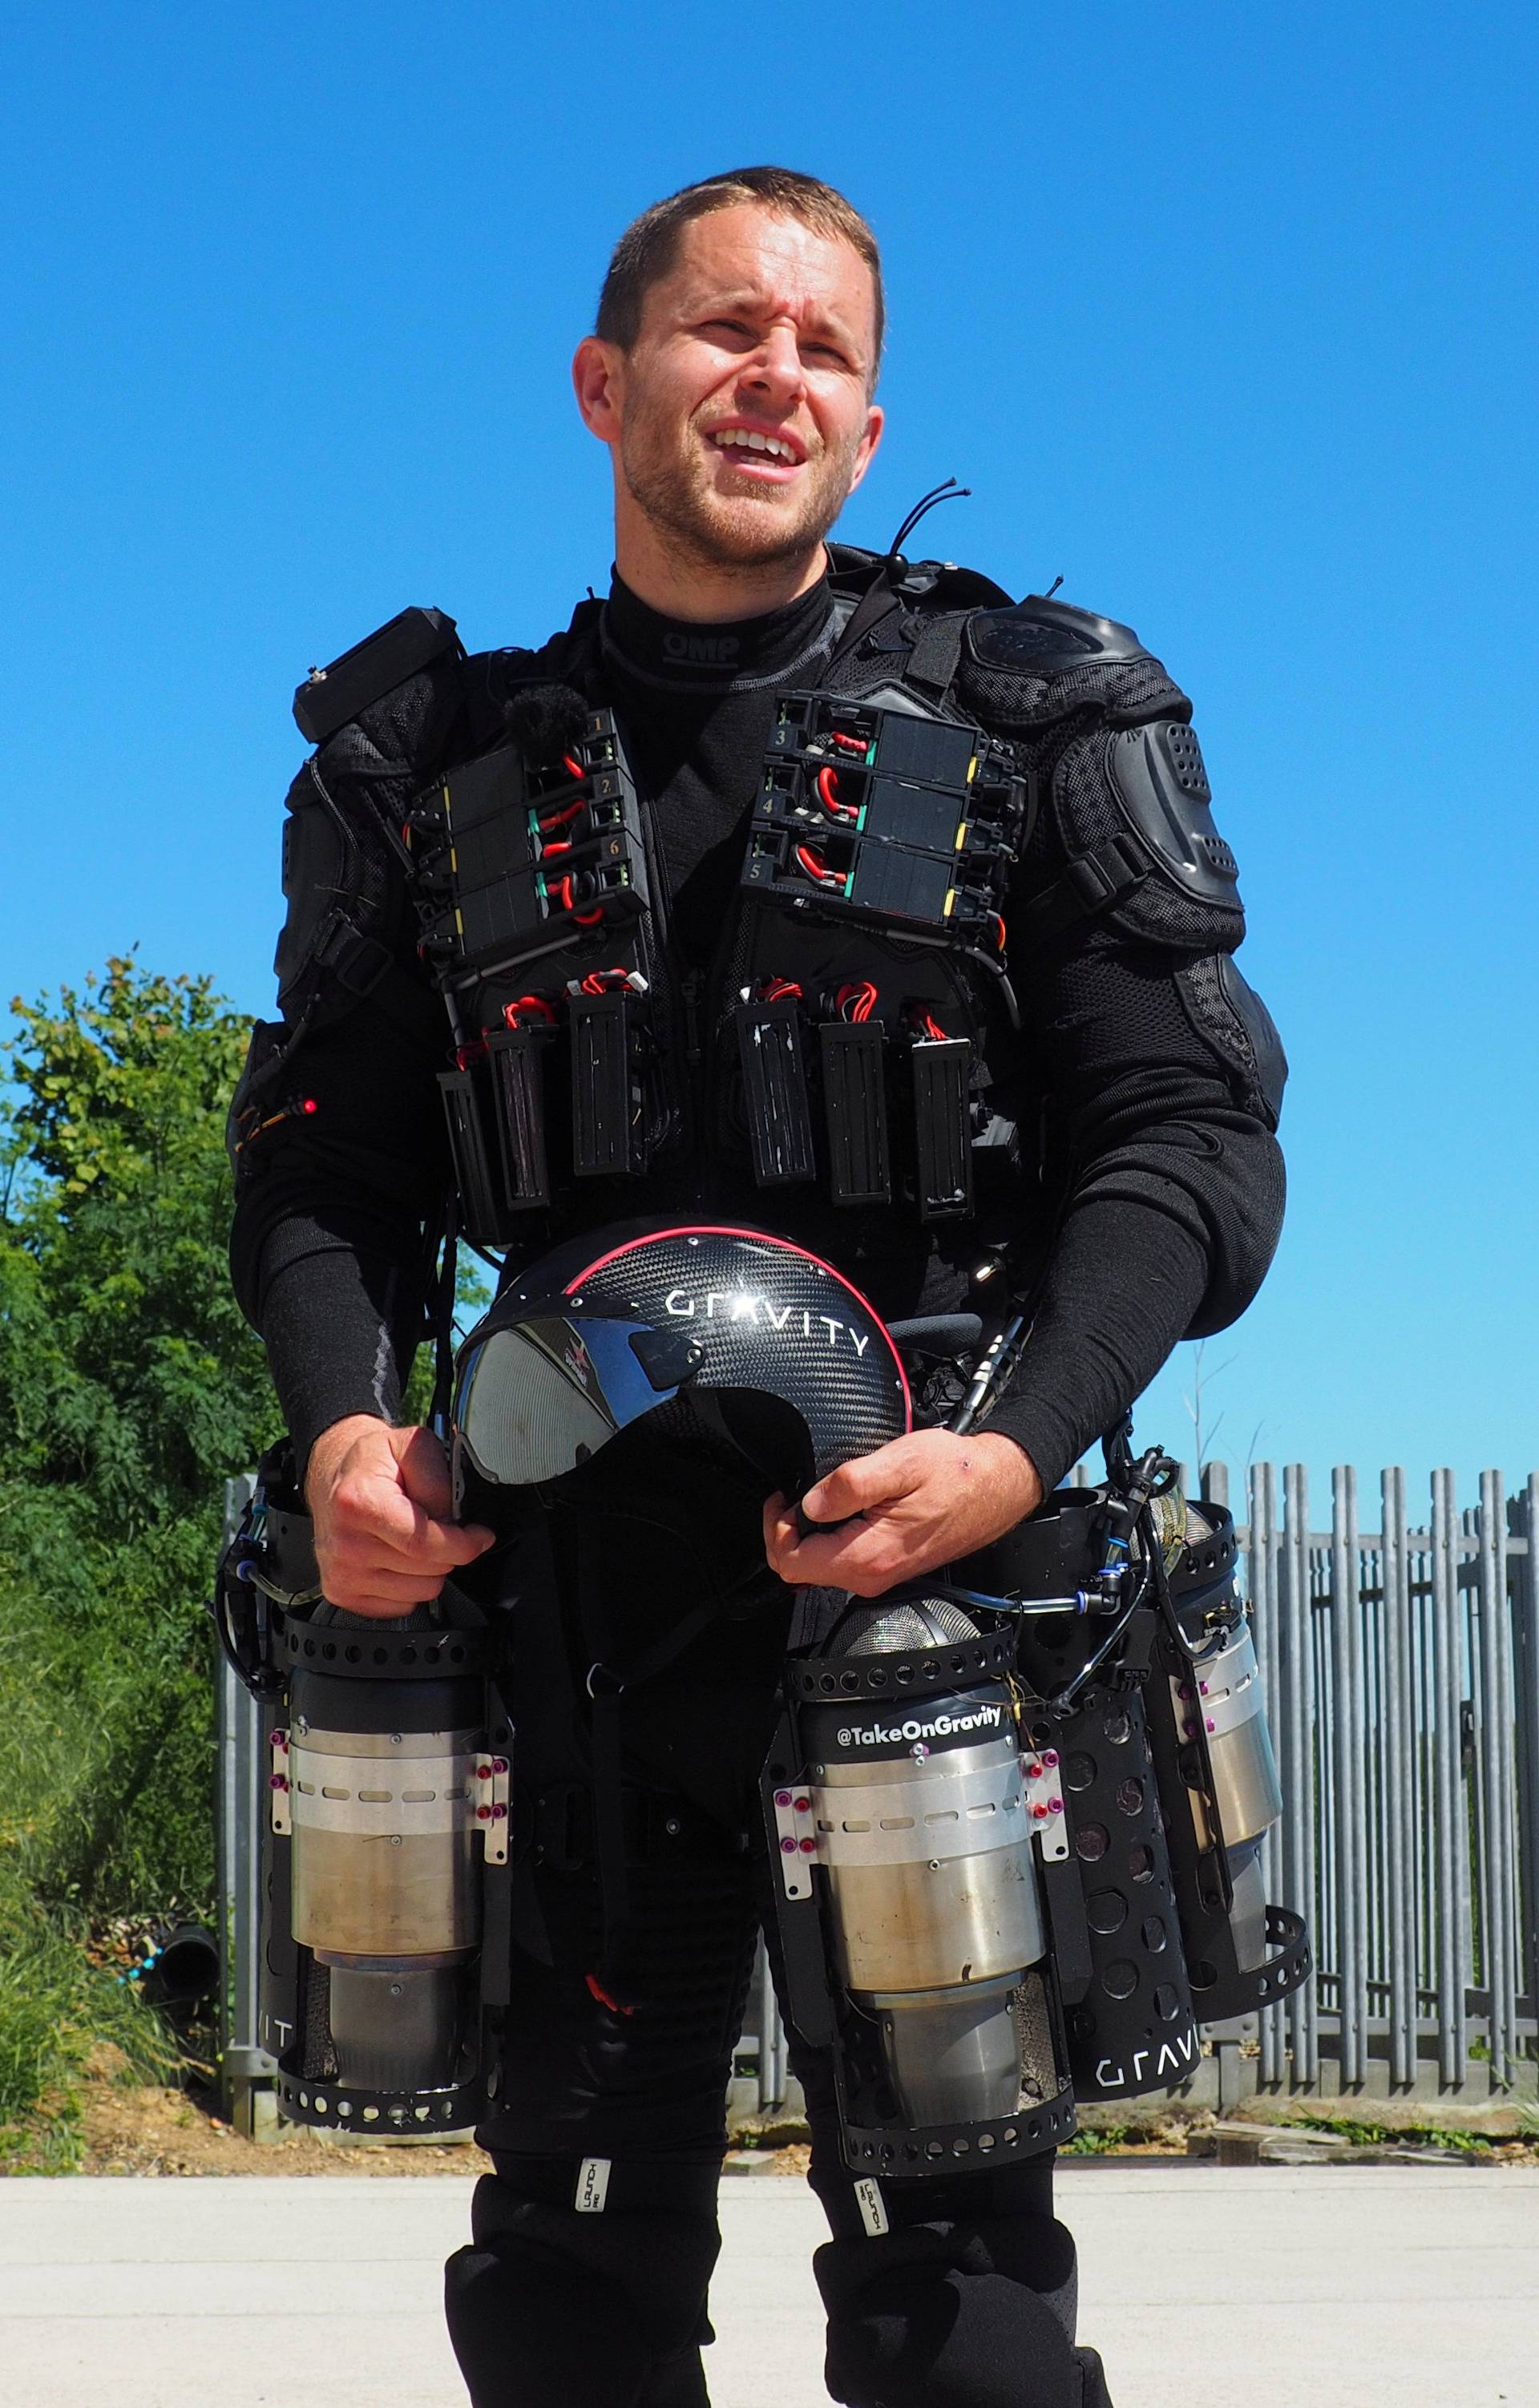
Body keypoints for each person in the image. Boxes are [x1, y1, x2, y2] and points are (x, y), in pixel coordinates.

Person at [230, 166, 1285, 2408]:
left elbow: (1192, 1150)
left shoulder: (1034, 725)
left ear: (871, 424)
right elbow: (322, 1164)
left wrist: (1013, 1446)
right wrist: (344, 1424)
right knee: (569, 2287)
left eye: (821, 347)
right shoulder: (429, 766)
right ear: (609, 382)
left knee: (968, 2321)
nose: (773, 377)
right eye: (725, 331)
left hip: (924, 1587)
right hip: (570, 1625)